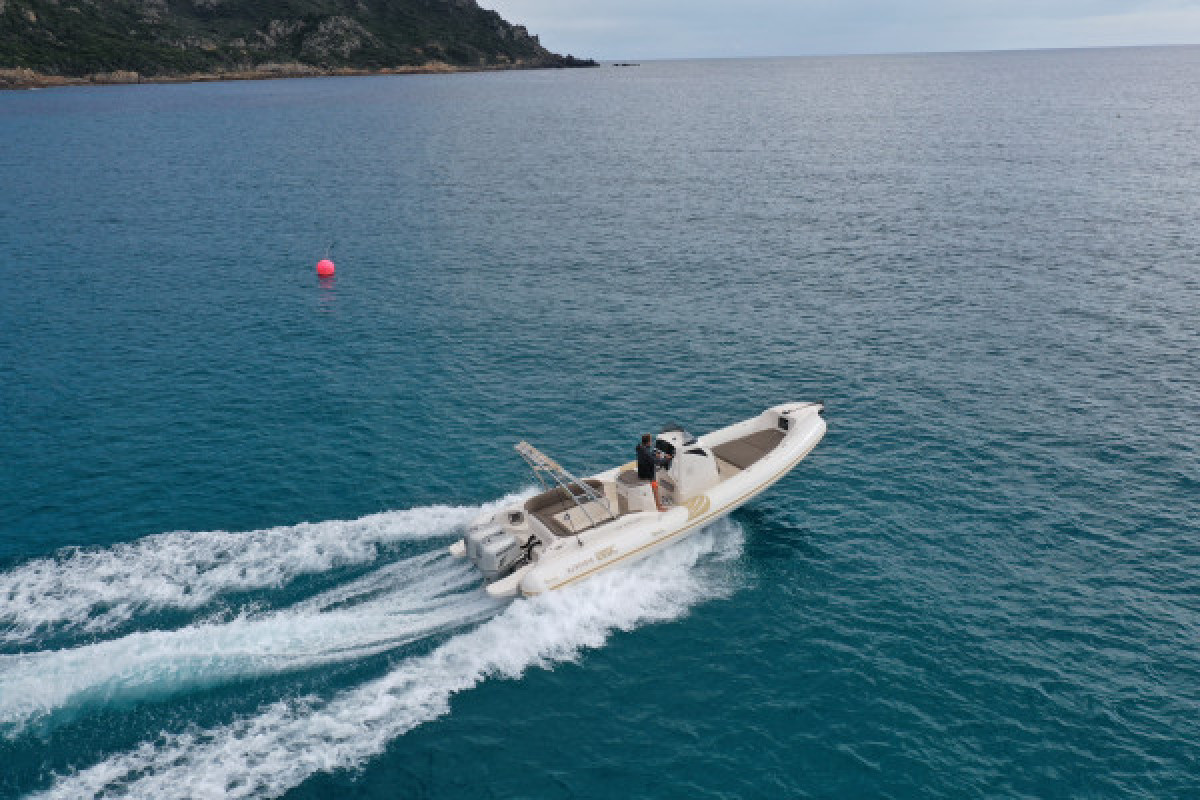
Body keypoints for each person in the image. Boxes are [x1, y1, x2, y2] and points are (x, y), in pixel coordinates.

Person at [636, 433, 673, 512]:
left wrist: (654, 454)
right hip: (647, 474)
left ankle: (658, 504)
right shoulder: (646, 452)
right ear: (648, 442)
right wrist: (668, 459)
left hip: (641, 470)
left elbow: (648, 455)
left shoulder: (639, 447)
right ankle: (659, 507)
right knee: (655, 487)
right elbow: (657, 462)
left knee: (655, 483)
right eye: (651, 440)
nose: (652, 442)